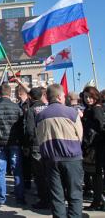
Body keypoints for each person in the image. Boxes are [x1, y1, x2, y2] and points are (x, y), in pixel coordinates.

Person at [36, 84, 83, 217]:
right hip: (72, 157)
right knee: (75, 195)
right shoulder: (72, 113)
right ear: (58, 97)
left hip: (51, 159)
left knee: (57, 197)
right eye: (63, 95)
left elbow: (39, 138)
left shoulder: (40, 116)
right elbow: (80, 135)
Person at [0, 83, 25, 206]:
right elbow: (21, 126)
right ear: (10, 93)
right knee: (17, 170)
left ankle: (0, 199)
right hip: (14, 142)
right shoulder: (17, 108)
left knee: (0, 171)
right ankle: (20, 198)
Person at [81, 86, 105, 211]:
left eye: (90, 97)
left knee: (96, 176)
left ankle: (98, 202)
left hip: (96, 148)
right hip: (93, 147)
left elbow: (100, 128)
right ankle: (97, 201)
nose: (88, 99)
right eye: (86, 97)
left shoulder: (96, 109)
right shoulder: (90, 109)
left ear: (96, 96)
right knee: (94, 176)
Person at [25, 87, 48, 209]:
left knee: (39, 174)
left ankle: (44, 200)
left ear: (30, 97)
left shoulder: (31, 110)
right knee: (49, 173)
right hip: (49, 143)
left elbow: (29, 130)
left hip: (36, 144)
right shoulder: (47, 107)